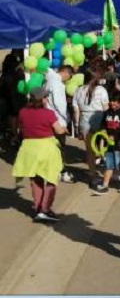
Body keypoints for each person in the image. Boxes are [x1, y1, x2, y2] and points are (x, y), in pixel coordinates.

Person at [12, 87, 68, 222]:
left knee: (35, 179)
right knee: (51, 179)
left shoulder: (23, 112)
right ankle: (46, 209)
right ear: (42, 99)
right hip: (46, 148)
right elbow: (58, 130)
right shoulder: (48, 113)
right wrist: (64, 129)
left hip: (29, 148)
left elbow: (19, 128)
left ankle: (38, 208)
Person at [73, 71, 109, 188]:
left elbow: (76, 110)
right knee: (104, 145)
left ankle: (93, 175)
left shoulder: (78, 90)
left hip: (84, 119)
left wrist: (77, 125)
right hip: (99, 118)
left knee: (89, 150)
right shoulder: (101, 90)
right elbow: (105, 107)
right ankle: (106, 171)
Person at [44, 65, 74, 183]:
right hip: (58, 120)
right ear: (66, 73)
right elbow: (59, 103)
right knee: (59, 147)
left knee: (52, 146)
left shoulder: (48, 79)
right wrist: (66, 117)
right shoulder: (57, 84)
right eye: (69, 77)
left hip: (48, 118)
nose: (67, 80)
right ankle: (61, 172)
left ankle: (53, 169)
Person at [95, 91, 120, 195]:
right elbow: (103, 125)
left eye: (115, 101)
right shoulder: (107, 112)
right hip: (108, 144)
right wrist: (103, 130)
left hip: (119, 144)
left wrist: (116, 137)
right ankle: (105, 185)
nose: (112, 103)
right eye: (111, 101)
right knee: (109, 165)